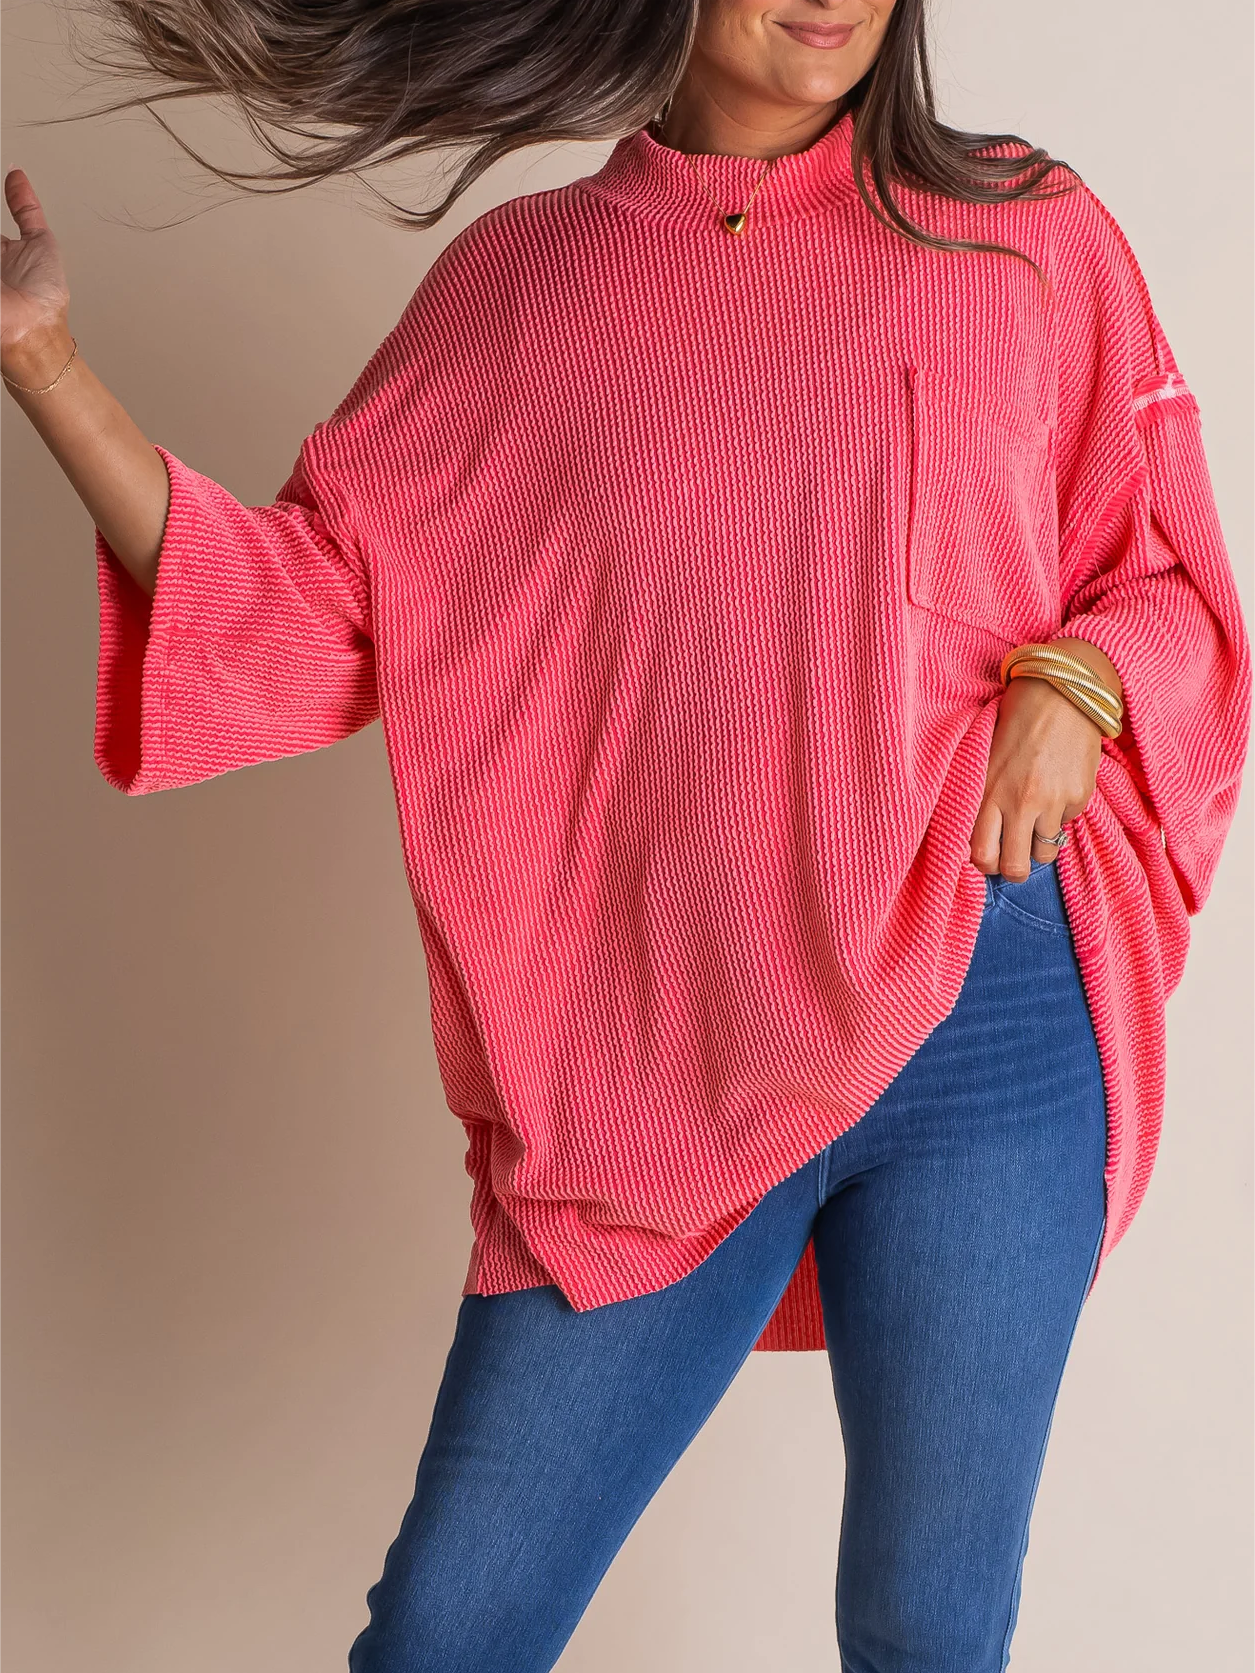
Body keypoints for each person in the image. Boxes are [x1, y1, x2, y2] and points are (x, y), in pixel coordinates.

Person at [2, 1, 1249, 1668]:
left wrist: (1076, 682)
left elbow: (1165, 572)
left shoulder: (1022, 225)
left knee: (927, 1626)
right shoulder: (522, 289)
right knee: (450, 1631)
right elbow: (301, 620)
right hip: (656, 1051)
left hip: (988, 1005)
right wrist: (46, 366)